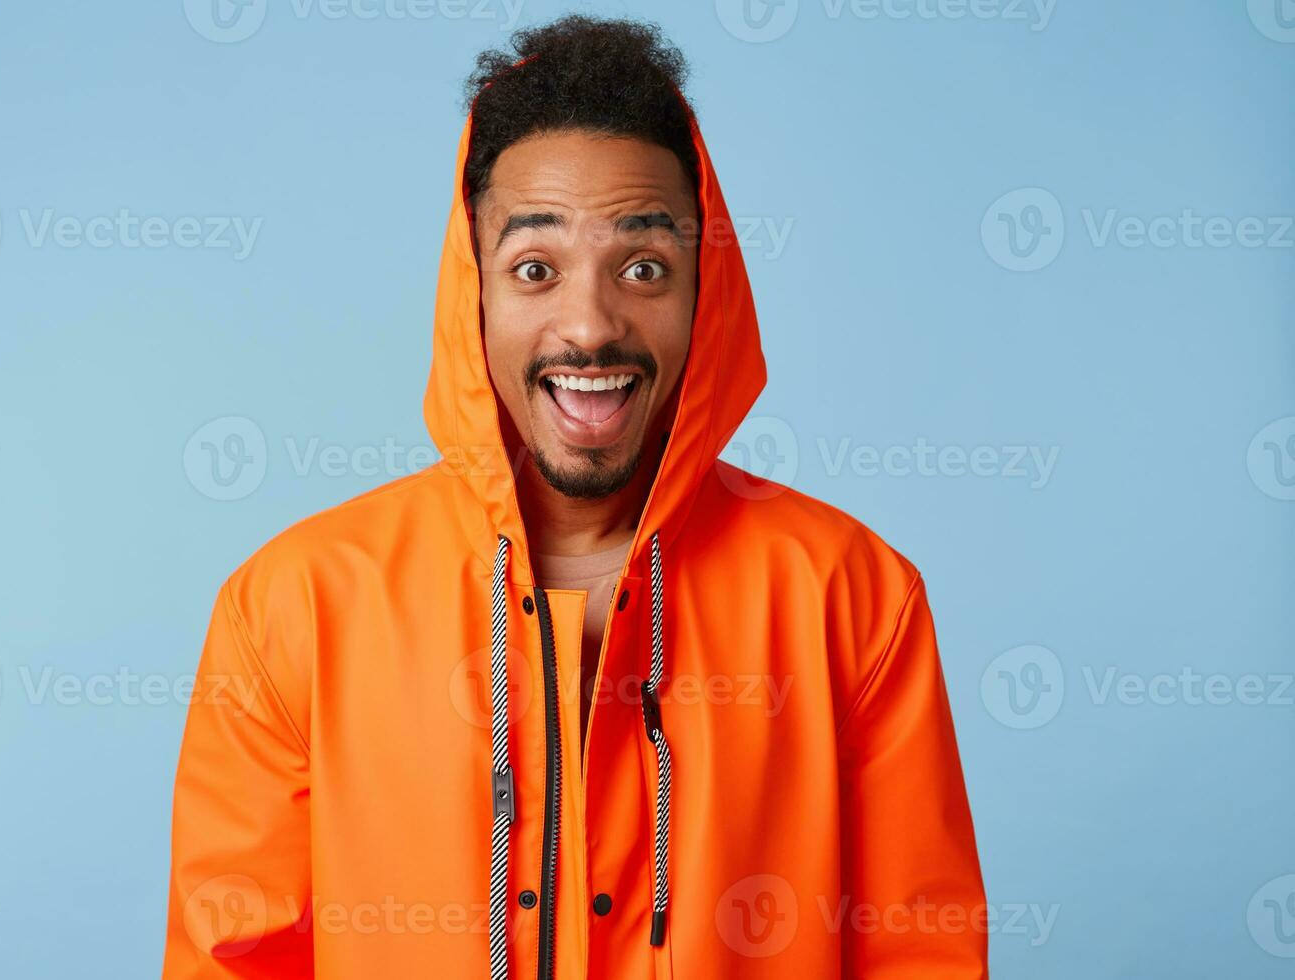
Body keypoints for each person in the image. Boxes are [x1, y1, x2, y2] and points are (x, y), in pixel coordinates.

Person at [162, 14, 987, 979]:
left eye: (644, 267)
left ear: (705, 289)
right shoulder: (292, 611)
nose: (590, 326)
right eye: (535, 269)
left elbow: (917, 956)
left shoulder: (852, 600)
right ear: (472, 289)